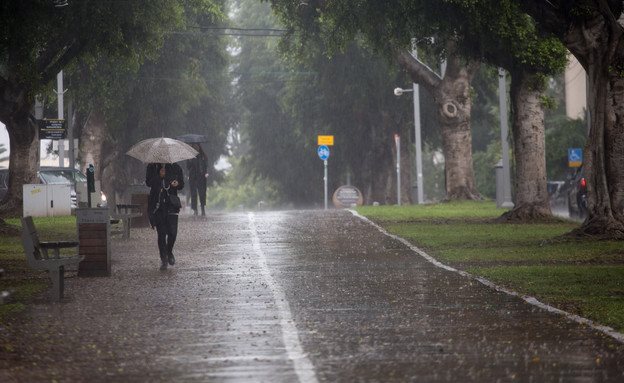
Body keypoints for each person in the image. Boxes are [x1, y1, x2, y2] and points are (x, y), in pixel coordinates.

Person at [146, 163, 184, 270]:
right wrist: (160, 177)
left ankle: (169, 251)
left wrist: (177, 183)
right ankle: (164, 259)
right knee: (161, 233)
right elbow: (148, 183)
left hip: (171, 204)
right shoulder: (152, 167)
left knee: (172, 233)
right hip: (157, 205)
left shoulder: (175, 167)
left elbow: (181, 184)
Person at [186, 144, 208, 216]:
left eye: (197, 147)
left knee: (202, 194)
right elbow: (188, 167)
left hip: (201, 177)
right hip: (192, 177)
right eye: (194, 147)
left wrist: (205, 173)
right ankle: (195, 210)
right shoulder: (190, 156)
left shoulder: (203, 156)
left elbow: (206, 166)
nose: (196, 148)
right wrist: (189, 160)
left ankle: (202, 209)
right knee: (193, 194)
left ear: (199, 148)